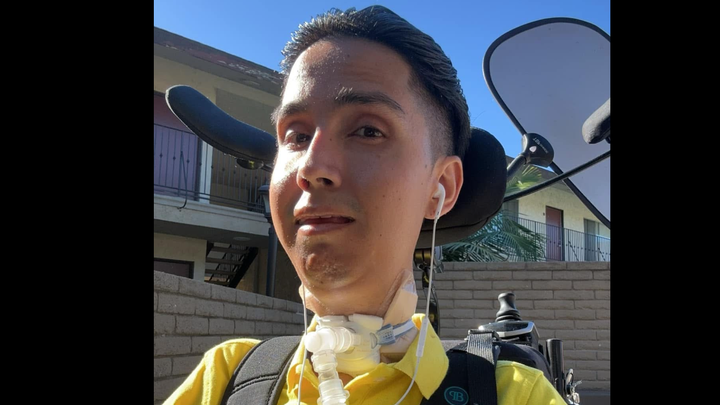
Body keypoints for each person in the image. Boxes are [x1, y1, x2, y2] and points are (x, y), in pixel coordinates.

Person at [163, 5, 567, 405]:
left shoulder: (515, 394)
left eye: (368, 130)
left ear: (440, 187)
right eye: (297, 136)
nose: (311, 168)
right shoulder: (226, 378)